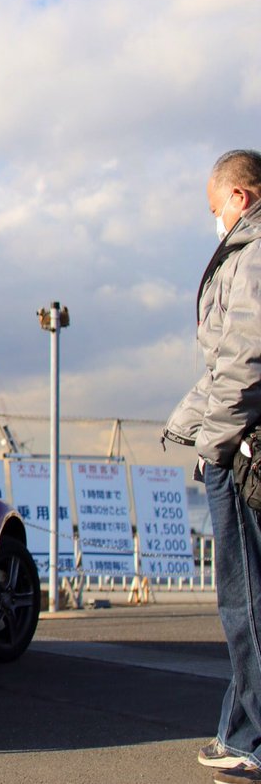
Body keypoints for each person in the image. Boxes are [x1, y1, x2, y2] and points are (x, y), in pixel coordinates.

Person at [165, 150, 261, 784]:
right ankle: (241, 728)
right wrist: (183, 421)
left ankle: (251, 739)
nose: (214, 221)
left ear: (241, 197)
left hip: (245, 450)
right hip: (239, 438)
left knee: (245, 599)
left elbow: (243, 360)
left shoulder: (251, 253)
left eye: (215, 207)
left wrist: (212, 442)